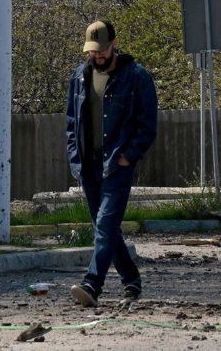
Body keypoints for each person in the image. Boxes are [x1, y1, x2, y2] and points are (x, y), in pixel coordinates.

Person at [66, 20, 158, 308]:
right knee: (106, 227)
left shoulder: (137, 77)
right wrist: (74, 157)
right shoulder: (79, 76)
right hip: (88, 165)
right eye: (93, 51)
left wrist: (128, 156)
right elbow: (71, 122)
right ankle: (131, 279)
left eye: (102, 49)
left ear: (115, 44)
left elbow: (148, 125)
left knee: (105, 226)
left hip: (117, 164)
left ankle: (92, 284)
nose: (97, 55)